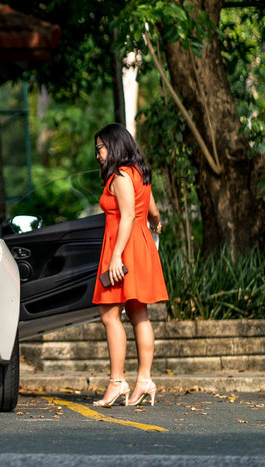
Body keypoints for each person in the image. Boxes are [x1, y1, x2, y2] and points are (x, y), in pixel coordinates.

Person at [91, 123, 168, 408]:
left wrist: (115, 257)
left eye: (99, 147)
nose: (97, 154)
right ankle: (144, 380)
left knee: (109, 313)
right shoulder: (140, 173)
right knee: (138, 313)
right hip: (141, 244)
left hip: (123, 247)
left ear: (112, 145)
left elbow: (125, 217)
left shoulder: (121, 175)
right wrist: (157, 225)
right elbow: (153, 211)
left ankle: (117, 381)